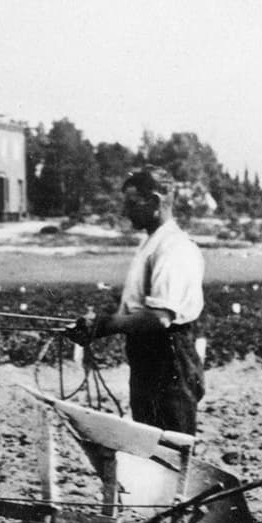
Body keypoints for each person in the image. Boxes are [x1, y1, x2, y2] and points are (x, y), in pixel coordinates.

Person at [67, 167, 205, 434]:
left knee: (169, 444)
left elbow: (159, 317)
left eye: (131, 203)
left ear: (154, 202)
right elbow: (140, 307)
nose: (125, 211)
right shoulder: (152, 243)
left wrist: (104, 325)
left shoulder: (174, 248)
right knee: (148, 440)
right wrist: (101, 322)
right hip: (149, 356)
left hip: (169, 358)